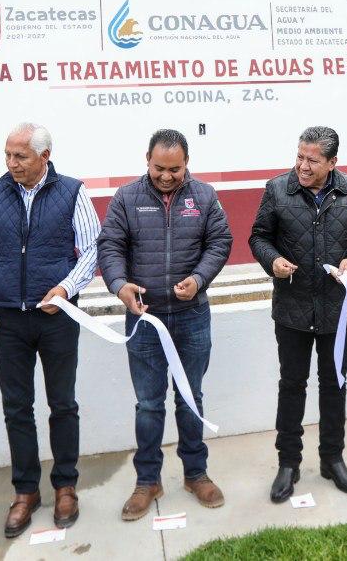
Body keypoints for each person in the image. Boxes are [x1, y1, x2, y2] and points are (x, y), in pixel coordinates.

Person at [0, 123, 100, 538]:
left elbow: (91, 249)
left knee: (63, 404)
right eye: (7, 155)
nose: (12, 164)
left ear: (45, 156)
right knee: (16, 407)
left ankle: (65, 487)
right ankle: (25, 492)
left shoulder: (73, 192)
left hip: (56, 316)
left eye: (20, 156)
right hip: (8, 317)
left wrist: (65, 288)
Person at [97, 129, 232, 522]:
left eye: (175, 169)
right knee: (148, 404)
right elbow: (110, 245)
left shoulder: (204, 196)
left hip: (192, 317)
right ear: (147, 160)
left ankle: (196, 474)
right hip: (145, 319)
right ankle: (147, 481)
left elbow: (219, 242)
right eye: (159, 168)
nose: (167, 176)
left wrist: (199, 279)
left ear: (187, 163)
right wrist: (119, 285)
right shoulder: (126, 198)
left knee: (190, 398)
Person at [249, 126, 347, 503]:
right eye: (299, 157)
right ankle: (288, 463)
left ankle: (332, 459)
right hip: (291, 310)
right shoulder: (277, 189)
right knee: (291, 385)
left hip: (336, 310)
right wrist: (273, 261)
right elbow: (258, 237)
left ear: (332, 162)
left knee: (334, 384)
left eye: (312, 160)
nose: (303, 167)